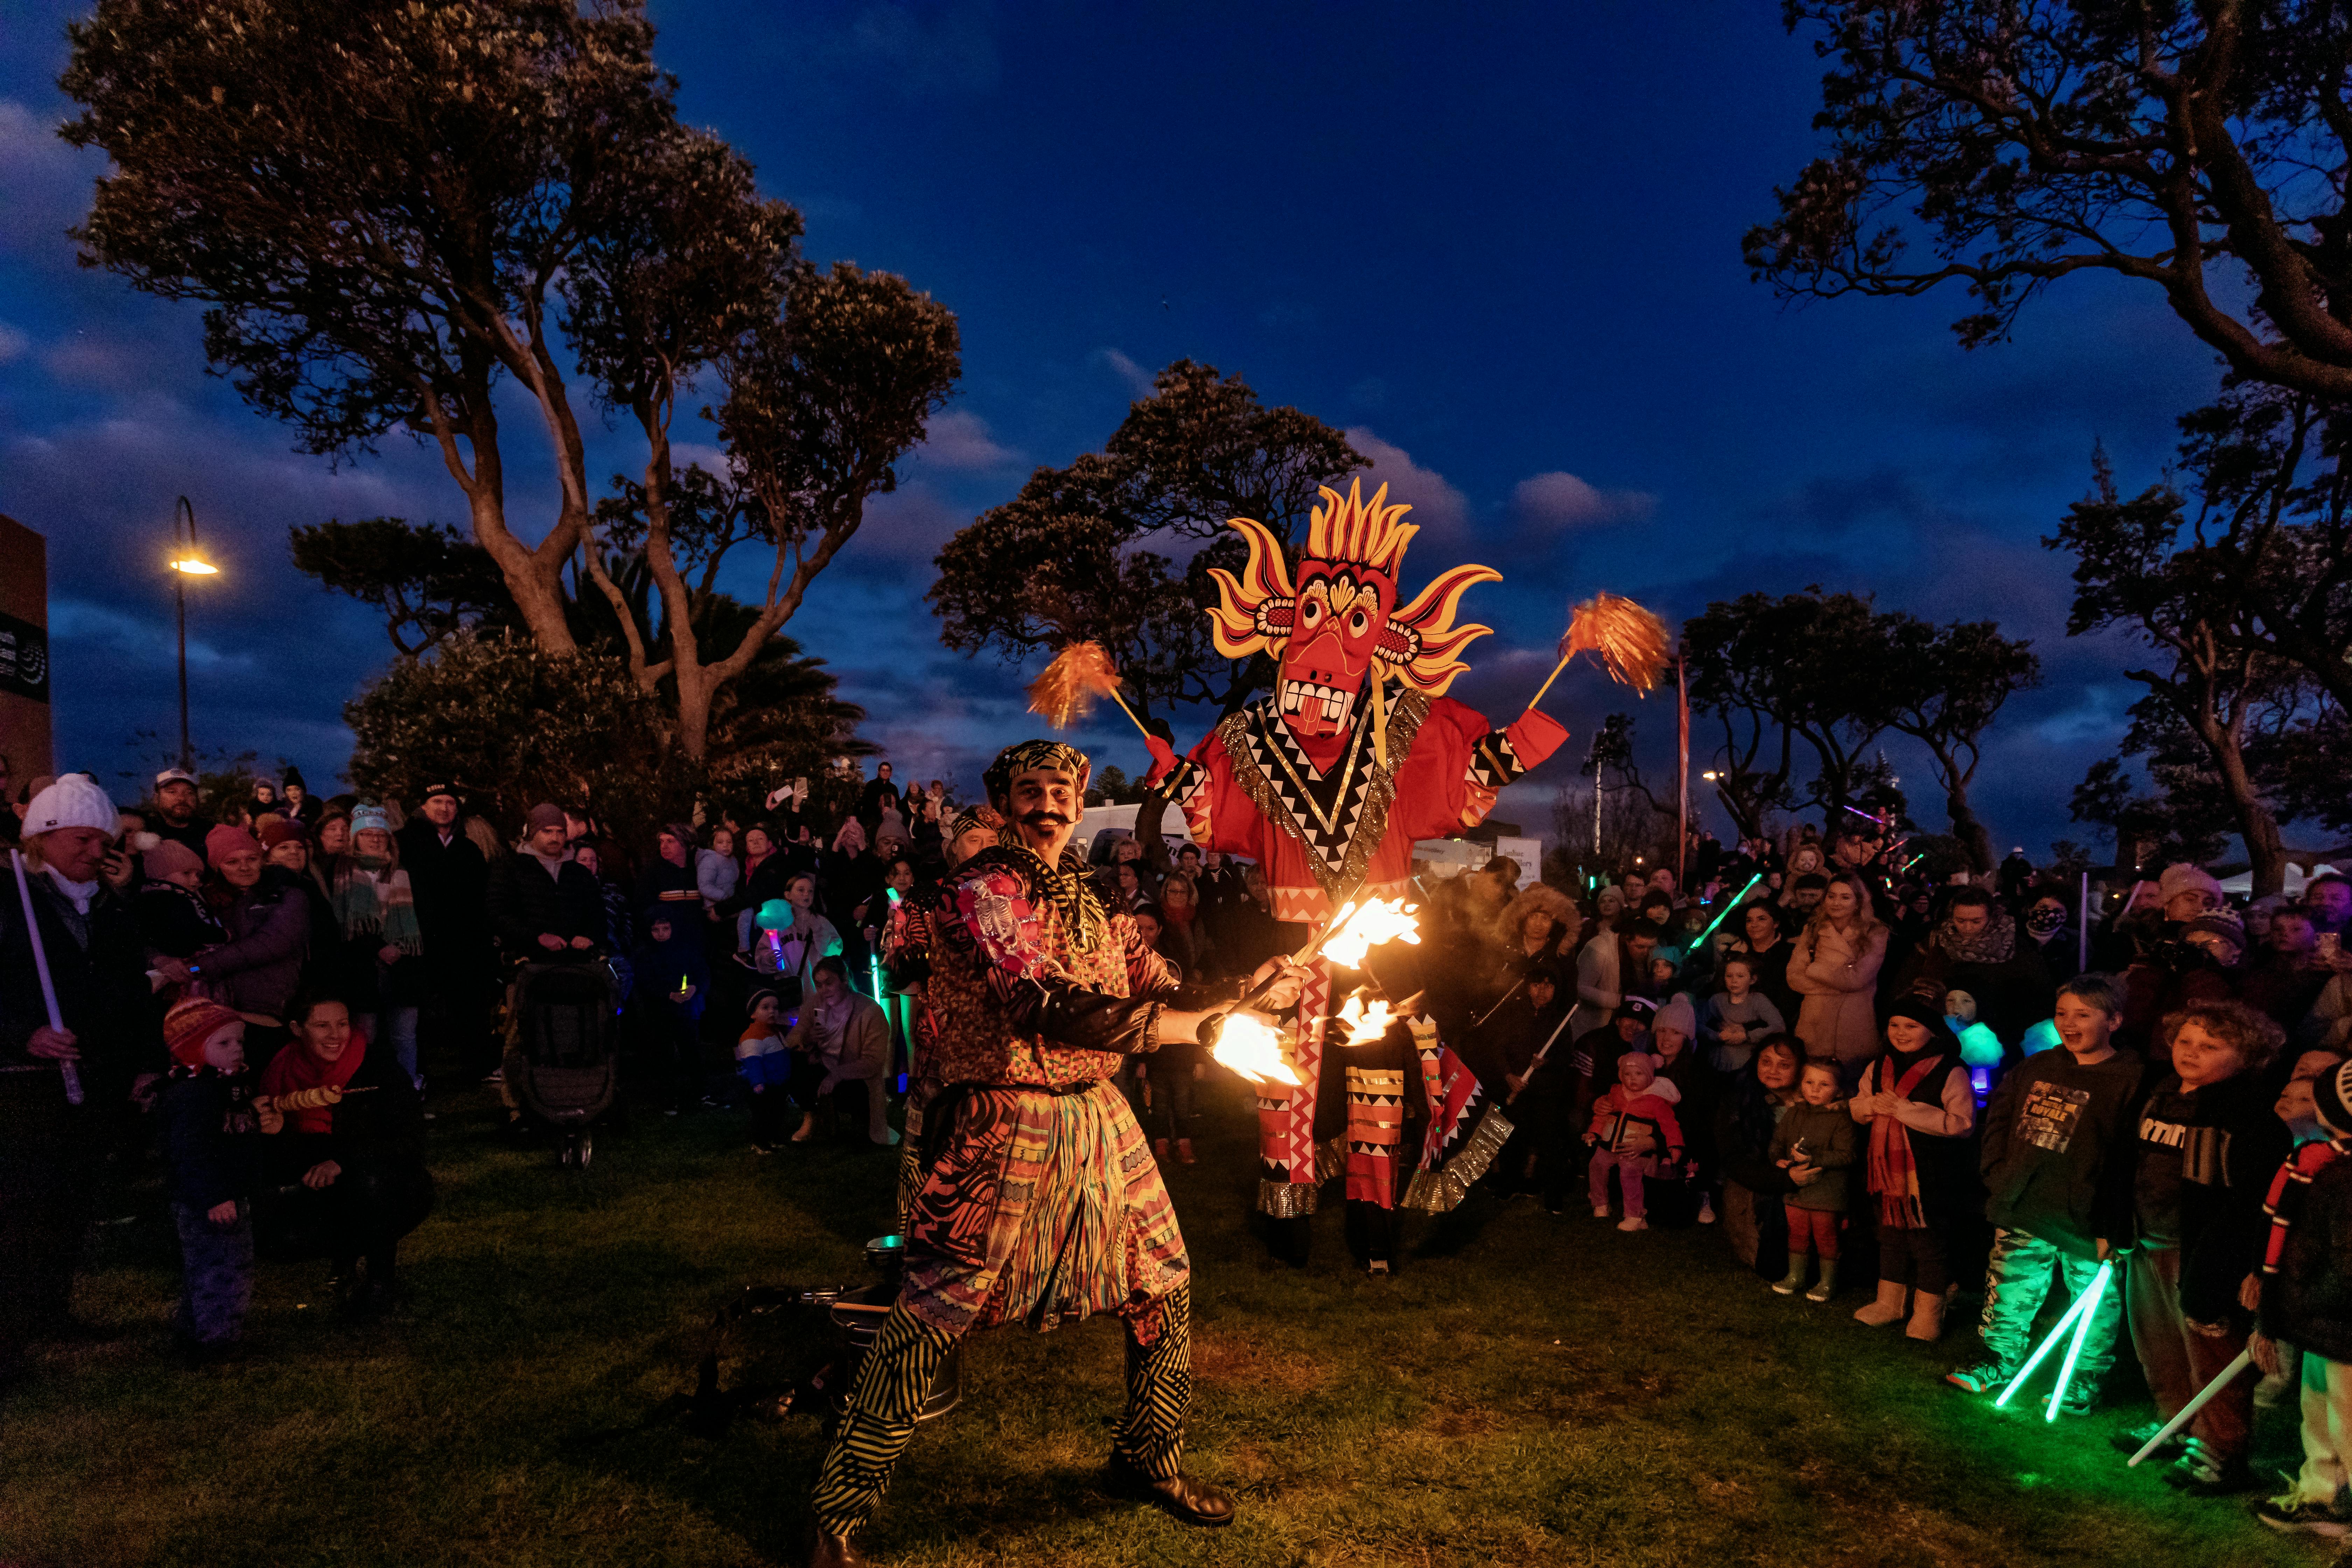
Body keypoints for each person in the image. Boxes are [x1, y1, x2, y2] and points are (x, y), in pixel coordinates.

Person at [804, 740, 1306, 1561]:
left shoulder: (1100, 904)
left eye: (1062, 790)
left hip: (1100, 1117)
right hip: (1005, 1122)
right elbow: (1039, 1002)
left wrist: (1251, 988)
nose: (1049, 802)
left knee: (1164, 1285)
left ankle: (1146, 1460)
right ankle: (836, 1513)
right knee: (933, 1313)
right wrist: (1184, 1028)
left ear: (1079, 803)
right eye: (1030, 789)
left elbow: (1167, 987)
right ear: (1005, 803)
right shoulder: (982, 889)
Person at [0, 775, 155, 1378]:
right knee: (18, 1211)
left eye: (104, 841)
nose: (97, 853)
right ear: (43, 837)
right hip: (21, 1082)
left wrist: (146, 1063)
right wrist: (24, 1034)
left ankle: (49, 1311)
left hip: (94, 1081)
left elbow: (134, 993)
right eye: (84, 841)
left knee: (71, 1203)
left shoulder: (112, 910)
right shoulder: (10, 897)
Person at [2113, 1000, 2290, 1495]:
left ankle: (2220, 1450)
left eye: (2210, 1047)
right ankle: (2174, 1420)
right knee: (2159, 1343)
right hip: (2148, 1239)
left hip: (2203, 1256)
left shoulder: (2249, 1116)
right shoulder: (2159, 1093)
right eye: (2185, 1042)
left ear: (2247, 1056)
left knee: (2210, 1354)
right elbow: (2128, 1164)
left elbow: (2249, 1203)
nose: (2191, 1053)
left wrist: (2236, 1268)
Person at [1946, 974, 2140, 1410]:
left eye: (2083, 1015)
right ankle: (1999, 1359)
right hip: (2024, 1202)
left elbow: (2131, 1158)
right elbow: (2001, 1114)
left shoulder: (2131, 1079)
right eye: (2062, 1014)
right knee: (2011, 1285)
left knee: (2096, 1300)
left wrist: (2113, 1219)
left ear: (2114, 1020)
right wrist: (1999, 1172)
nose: (2069, 1024)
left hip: (2086, 1217)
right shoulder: (2038, 1066)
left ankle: (2083, 1376)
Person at [254, 993, 433, 1316]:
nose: (336, 1035)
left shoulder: (377, 1069)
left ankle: (380, 1282)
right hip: (320, 1185)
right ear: (297, 1029)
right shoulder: (279, 1073)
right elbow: (286, 1162)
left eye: (343, 1024)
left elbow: (410, 1141)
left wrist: (343, 1162)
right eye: (322, 1026)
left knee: (370, 1182)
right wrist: (278, 1131)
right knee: (277, 1239)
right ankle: (345, 1250)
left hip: (390, 1182)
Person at [2249, 1056, 2352, 1534]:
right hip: (2322, 1320)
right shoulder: (2325, 1165)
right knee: (2320, 1408)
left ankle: (2341, 1507)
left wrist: (2314, 1299)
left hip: (2339, 1320)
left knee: (2349, 1418)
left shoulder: (2342, 1179)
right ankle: (2321, 1492)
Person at [1850, 996, 1977, 1341]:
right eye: (1895, 1025)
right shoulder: (1878, 1066)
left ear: (1933, 1031)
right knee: (1890, 1237)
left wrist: (1906, 1111)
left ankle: (1928, 1314)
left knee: (1928, 1243)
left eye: (1911, 1026)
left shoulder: (1950, 1070)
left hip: (1930, 1177)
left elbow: (1962, 1122)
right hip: (1886, 1174)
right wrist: (1870, 1106)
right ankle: (1889, 1303)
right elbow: (1858, 1104)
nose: (1901, 1033)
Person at [157, 997, 268, 1365]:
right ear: (192, 1049)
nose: (237, 1048)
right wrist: (215, 1196)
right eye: (224, 1043)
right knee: (223, 1269)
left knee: (207, 1267)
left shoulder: (227, 1087)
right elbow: (191, 1153)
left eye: (239, 1040)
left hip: (226, 1195)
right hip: (210, 1202)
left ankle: (194, 1332)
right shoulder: (194, 1095)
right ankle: (216, 1341)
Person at [396, 782, 494, 1080]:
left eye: (450, 802)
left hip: (463, 943)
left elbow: (482, 896)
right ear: (423, 806)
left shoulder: (468, 848)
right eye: (437, 801)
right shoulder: (403, 842)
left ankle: (480, 1067)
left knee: (470, 1008)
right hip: (419, 941)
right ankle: (418, 1074)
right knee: (418, 1015)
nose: (444, 808)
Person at [1895, 887, 2053, 1062]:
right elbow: (1908, 981)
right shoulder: (1936, 942)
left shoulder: (2013, 945)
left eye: (1976, 921)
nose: (1968, 928)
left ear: (1991, 917)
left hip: (1999, 1038)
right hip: (1946, 1034)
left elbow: (2036, 990)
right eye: (1961, 921)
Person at [327, 806, 425, 1090]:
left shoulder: (403, 870)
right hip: (362, 966)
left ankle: (408, 1089)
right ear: (356, 838)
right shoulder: (342, 871)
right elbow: (344, 920)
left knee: (405, 1035)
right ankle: (367, 1089)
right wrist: (378, 948)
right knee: (364, 1034)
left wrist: (401, 947)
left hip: (404, 965)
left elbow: (422, 913)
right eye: (368, 834)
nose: (375, 840)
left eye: (381, 835)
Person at [1714, 1036, 1804, 1274]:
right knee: (1772, 1263)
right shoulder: (1741, 1101)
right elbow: (1734, 1160)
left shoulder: (1816, 1099)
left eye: (1784, 1065)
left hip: (1810, 1182)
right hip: (1759, 1184)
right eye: (1766, 1062)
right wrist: (1784, 1179)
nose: (1773, 1071)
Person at [1769, 1060, 1857, 1301]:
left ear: (1838, 1091)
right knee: (1797, 1233)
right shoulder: (1795, 1113)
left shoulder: (1840, 1118)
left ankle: (1827, 1282)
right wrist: (1779, 1160)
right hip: (1797, 1189)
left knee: (1825, 1235)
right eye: (1809, 1082)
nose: (1815, 1090)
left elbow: (1847, 1155)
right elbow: (1778, 1141)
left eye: (1824, 1084)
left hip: (1827, 1192)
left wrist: (1814, 1157)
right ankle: (1796, 1276)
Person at [1791, 874, 1891, 1085]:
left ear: (1858, 902)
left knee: (1852, 1086)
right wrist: (1839, 986)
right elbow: (1794, 977)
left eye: (1845, 897)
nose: (1836, 903)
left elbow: (1858, 980)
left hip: (1854, 1021)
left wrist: (1816, 970)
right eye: (1832, 896)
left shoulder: (1875, 932)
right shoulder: (1812, 930)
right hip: (1815, 1021)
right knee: (1813, 1085)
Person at [784, 957, 894, 1146]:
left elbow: (874, 1061)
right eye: (819, 985)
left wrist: (838, 1075)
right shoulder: (815, 1004)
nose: (824, 990)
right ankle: (811, 1116)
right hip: (823, 1066)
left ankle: (861, 1119)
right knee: (791, 1060)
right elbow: (792, 1040)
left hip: (854, 1076)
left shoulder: (870, 1011)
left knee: (861, 1139)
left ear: (844, 980)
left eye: (829, 983)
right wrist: (808, 1037)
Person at [487, 804, 608, 962]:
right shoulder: (510, 869)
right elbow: (498, 915)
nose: (555, 838)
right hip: (529, 961)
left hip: (577, 962)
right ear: (533, 833)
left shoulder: (579, 873)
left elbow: (598, 914)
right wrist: (537, 937)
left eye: (560, 832)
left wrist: (590, 937)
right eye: (547, 831)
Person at [1584, 1049, 1683, 1233]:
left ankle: (1635, 1215)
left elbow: (1671, 1126)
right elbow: (1602, 1116)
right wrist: (1594, 1133)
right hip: (1608, 1145)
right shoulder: (1615, 1092)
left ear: (1650, 1076)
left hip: (1635, 1149)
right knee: (1596, 1165)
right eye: (1627, 1074)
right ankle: (1600, 1203)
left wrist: (1675, 1146)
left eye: (1639, 1074)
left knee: (1630, 1174)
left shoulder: (1656, 1101)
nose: (1633, 1079)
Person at [629, 913, 707, 1116]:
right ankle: (669, 1097)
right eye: (656, 930)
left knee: (691, 1050)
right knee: (663, 1054)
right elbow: (644, 982)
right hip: (658, 1012)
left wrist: (694, 988)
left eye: (666, 929)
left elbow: (702, 972)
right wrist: (668, 995)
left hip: (687, 1009)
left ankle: (701, 1094)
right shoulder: (644, 953)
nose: (661, 934)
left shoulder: (686, 949)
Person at [1701, 954, 1786, 1074]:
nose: (1734, 981)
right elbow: (1697, 1024)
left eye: (1740, 976)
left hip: (1747, 1062)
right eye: (1729, 976)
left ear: (1753, 980)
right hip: (1717, 1060)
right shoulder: (1717, 1000)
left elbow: (1779, 1027)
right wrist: (1717, 1036)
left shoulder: (1758, 1000)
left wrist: (1747, 1036)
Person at [1725, 900, 1799, 1024]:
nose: (1754, 925)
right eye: (1749, 920)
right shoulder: (1736, 953)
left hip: (1773, 1025)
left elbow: (1789, 1001)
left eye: (1762, 919)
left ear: (1776, 923)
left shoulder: (1790, 954)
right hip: (1733, 1020)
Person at [146, 768, 214, 860]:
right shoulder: (146, 830)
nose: (182, 798)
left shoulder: (211, 833)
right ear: (157, 798)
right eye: (172, 792)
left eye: (189, 793)